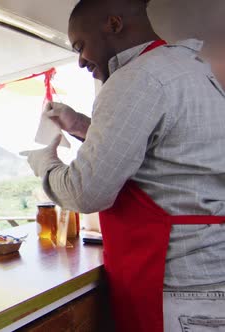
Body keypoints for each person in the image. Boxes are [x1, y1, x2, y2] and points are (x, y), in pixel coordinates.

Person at [24, 0, 225, 331]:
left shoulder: (134, 78)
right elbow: (159, 151)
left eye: (80, 46)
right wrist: (80, 125)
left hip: (174, 283)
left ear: (113, 25)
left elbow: (85, 192)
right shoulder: (187, 66)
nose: (80, 61)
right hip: (207, 275)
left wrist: (46, 164)